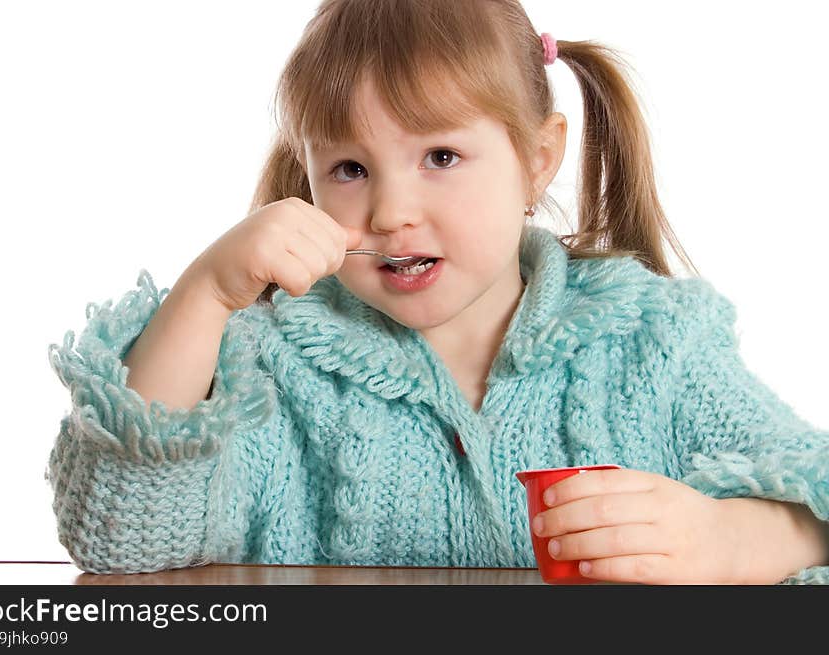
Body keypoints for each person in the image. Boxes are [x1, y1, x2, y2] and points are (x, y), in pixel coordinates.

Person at [46, 0, 829, 583]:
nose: (390, 212)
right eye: (349, 170)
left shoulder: (653, 339)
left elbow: (815, 486)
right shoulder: (271, 363)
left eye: (442, 156)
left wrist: (733, 541)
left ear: (537, 158)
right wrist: (207, 293)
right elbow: (121, 537)